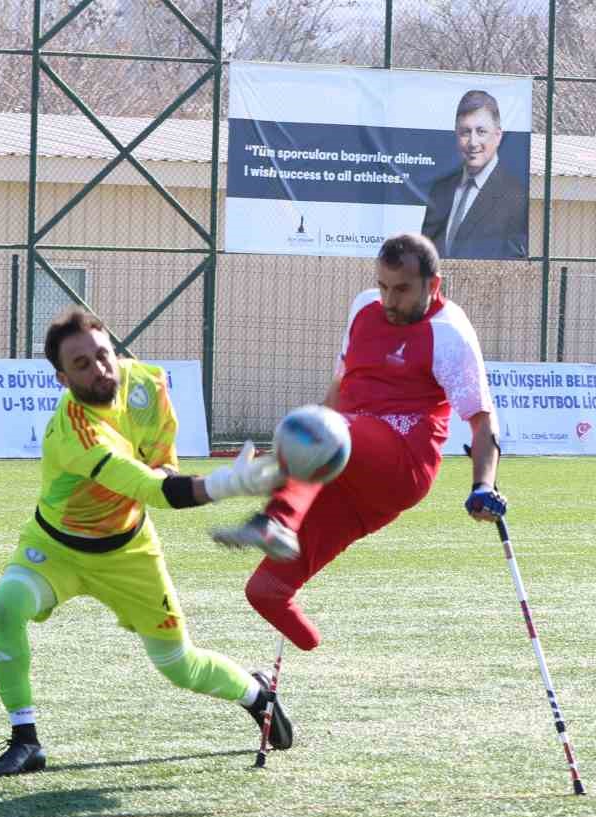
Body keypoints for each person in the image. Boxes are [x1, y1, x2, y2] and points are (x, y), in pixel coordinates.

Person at [0, 308, 291, 777]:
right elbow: (148, 488)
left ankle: (257, 694)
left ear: (116, 351)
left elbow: (161, 470)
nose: (99, 368)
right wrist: (224, 486)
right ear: (63, 379)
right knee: (6, 605)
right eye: (81, 365)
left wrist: (205, 483)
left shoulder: (147, 384)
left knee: (178, 665)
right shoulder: (76, 432)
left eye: (103, 355)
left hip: (129, 551)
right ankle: (26, 741)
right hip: (57, 547)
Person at [212, 232, 506, 653]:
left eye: (402, 289)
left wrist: (483, 485)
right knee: (264, 590)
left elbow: (481, 419)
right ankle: (290, 669)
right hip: (345, 469)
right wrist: (304, 440)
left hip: (402, 462)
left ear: (433, 285)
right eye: (384, 286)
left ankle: (271, 516)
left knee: (327, 431)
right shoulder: (363, 307)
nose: (389, 300)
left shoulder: (449, 333)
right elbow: (341, 384)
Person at [419, 90, 529, 260]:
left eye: (481, 132)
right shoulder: (440, 189)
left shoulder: (516, 199)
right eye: (465, 132)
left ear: (498, 136)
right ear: (456, 135)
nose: (473, 142)